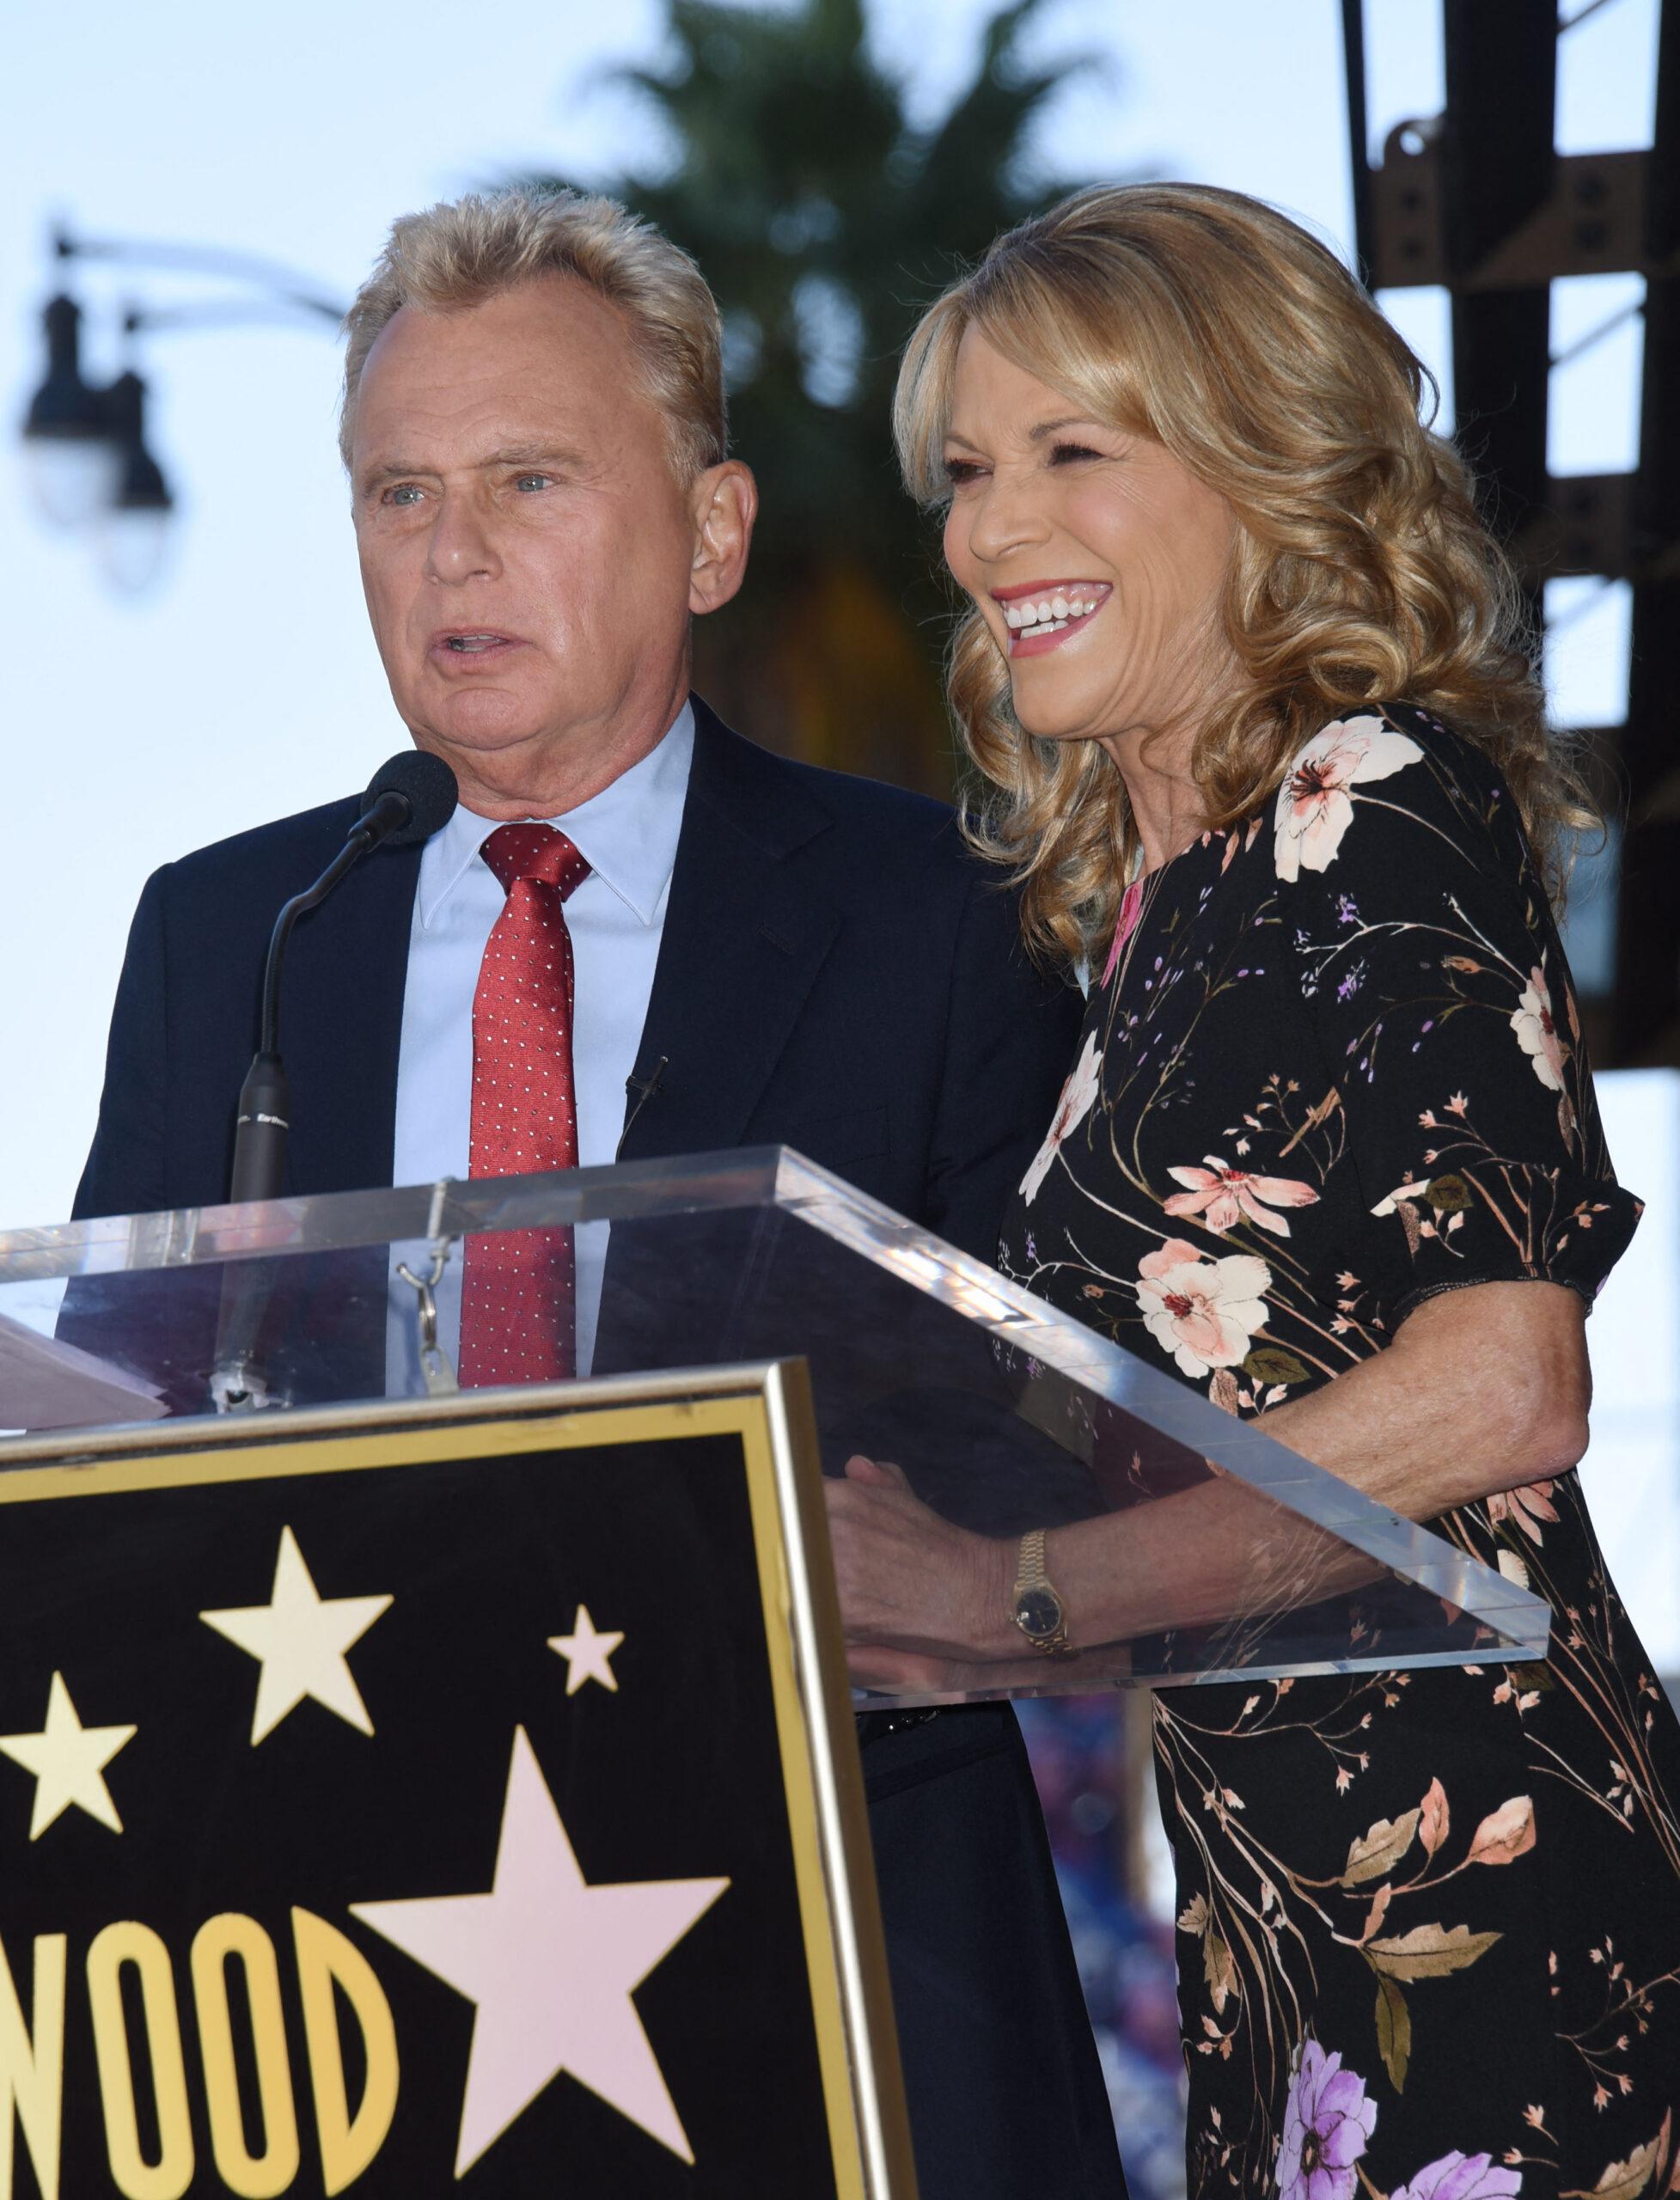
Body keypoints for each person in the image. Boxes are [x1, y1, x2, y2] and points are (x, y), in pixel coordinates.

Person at [72, 190, 1125, 2196]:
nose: (451, 551)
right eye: (399, 494)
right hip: (341, 1979)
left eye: (528, 477)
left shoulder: (948, 918)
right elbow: (118, 1462)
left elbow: (1049, 1446)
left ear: (714, 533)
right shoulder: (236, 938)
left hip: (840, 1948)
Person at [826, 182, 1680, 2190]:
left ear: (1258, 466)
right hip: (1280, 1945)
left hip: (1495, 1904)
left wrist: (1019, 1595)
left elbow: (1508, 1382)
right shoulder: (1153, 916)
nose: (984, 528)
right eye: (964, 470)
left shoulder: (1376, 800)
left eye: (1069, 452)